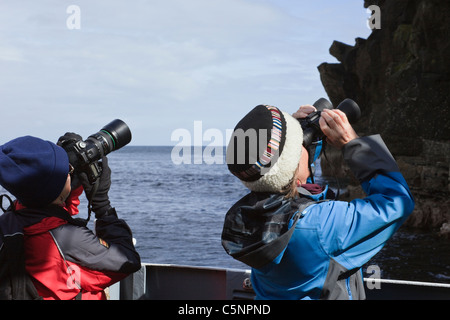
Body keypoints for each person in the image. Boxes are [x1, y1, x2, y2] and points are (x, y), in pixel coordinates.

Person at [222, 104, 415, 300]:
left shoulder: (248, 215)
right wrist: (353, 144)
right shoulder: (322, 227)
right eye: (298, 146)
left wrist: (303, 133)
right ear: (295, 165)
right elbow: (397, 201)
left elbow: (289, 179)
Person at [0, 135, 141, 300]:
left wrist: (66, 184)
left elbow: (51, 211)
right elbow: (128, 261)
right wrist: (103, 207)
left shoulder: (11, 218)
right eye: (68, 170)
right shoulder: (68, 238)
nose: (70, 172)